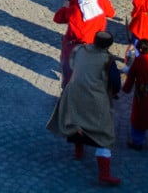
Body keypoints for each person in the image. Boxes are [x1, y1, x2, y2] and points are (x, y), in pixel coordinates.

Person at [46, 31, 121, 186]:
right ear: (108, 45)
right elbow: (115, 82)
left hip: (72, 92)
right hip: (94, 97)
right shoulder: (108, 59)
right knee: (104, 133)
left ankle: (78, 151)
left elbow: (72, 65)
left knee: (76, 122)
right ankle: (104, 174)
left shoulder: (79, 50)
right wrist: (113, 92)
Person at [52, 0, 115, 88]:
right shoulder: (100, 15)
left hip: (72, 47)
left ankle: (67, 92)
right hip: (91, 48)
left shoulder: (75, 11)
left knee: (68, 73)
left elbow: (57, 18)